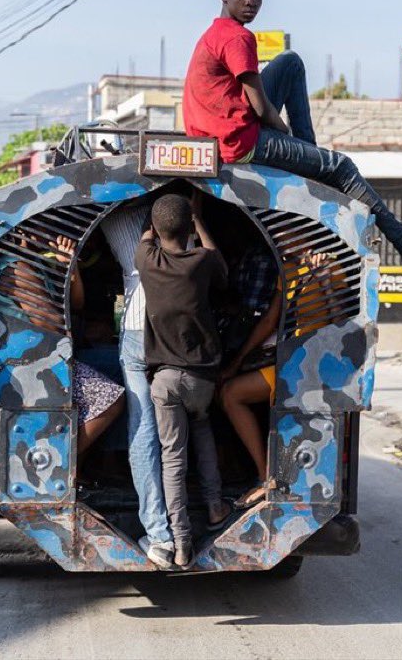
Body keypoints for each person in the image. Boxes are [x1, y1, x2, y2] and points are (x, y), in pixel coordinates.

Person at [183, 0, 402, 275]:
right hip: (238, 142)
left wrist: (298, 147)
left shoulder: (216, 33)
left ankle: (310, 164)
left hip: (218, 132)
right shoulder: (237, 38)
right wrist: (282, 132)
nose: (252, 3)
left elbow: (251, 97)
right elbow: (261, 109)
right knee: (340, 166)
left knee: (290, 62)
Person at [135, 192, 233, 569]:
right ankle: (214, 506)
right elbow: (218, 261)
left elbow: (146, 237)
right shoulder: (203, 262)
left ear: (158, 231)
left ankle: (180, 543)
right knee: (203, 428)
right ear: (189, 227)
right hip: (202, 379)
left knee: (173, 458)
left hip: (164, 380)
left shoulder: (147, 259)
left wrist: (156, 222)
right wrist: (199, 221)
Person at [219, 248, 339, 508]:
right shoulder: (289, 270)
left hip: (315, 366)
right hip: (289, 362)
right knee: (230, 392)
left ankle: (269, 479)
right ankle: (266, 477)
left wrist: (325, 281)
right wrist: (238, 361)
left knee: (233, 395)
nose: (282, 244)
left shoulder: (332, 267)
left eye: (286, 238)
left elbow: (342, 322)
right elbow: (271, 320)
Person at [0, 234, 125, 458]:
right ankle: (64, 463)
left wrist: (71, 266)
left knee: (122, 364)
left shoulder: (33, 262)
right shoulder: (16, 268)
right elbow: (53, 326)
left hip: (52, 356)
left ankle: (107, 462)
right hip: (37, 365)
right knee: (112, 399)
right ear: (22, 233)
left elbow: (77, 304)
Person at [100, 201, 176, 569]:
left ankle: (160, 535)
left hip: (136, 328)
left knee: (144, 427)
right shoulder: (185, 211)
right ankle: (181, 527)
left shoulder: (112, 204)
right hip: (178, 331)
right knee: (177, 429)